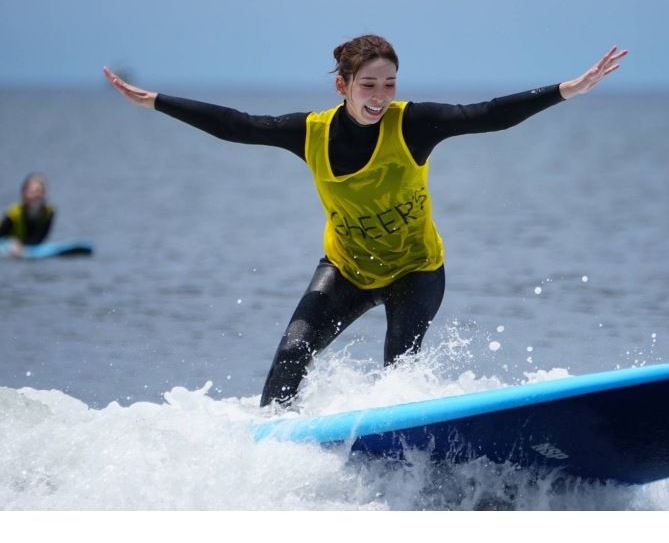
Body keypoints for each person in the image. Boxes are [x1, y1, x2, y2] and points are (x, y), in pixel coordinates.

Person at [104, 35, 627, 407]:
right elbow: (239, 126)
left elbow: (486, 114)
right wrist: (156, 101)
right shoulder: (308, 132)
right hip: (345, 269)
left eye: (389, 84)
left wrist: (567, 89)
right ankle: (264, 450)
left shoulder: (413, 124)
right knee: (291, 356)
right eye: (369, 85)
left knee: (398, 372)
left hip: (416, 272)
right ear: (342, 86)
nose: (380, 97)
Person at [0, 173, 55, 257]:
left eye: (40, 191)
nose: (36, 195)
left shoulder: (49, 213)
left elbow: (40, 237)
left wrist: (24, 248)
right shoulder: (13, 214)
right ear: (23, 193)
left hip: (29, 249)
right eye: (32, 192)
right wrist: (9, 244)